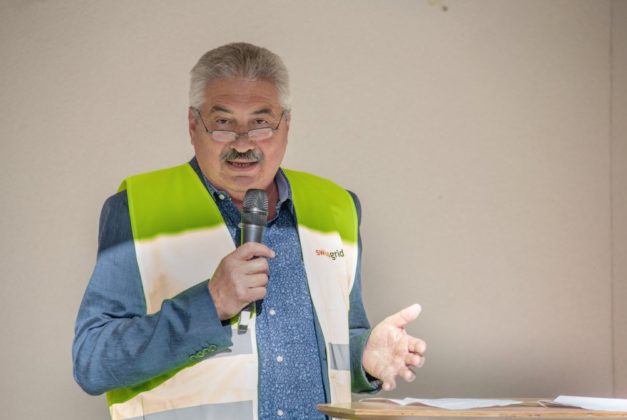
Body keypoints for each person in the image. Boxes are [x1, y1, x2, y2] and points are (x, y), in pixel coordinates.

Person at [73, 42, 426, 420]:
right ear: (193, 125)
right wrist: (209, 304)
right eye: (223, 123)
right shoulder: (135, 209)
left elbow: (339, 338)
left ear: (286, 125)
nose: (243, 143)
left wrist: (364, 356)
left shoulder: (337, 209)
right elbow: (93, 361)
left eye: (261, 122)